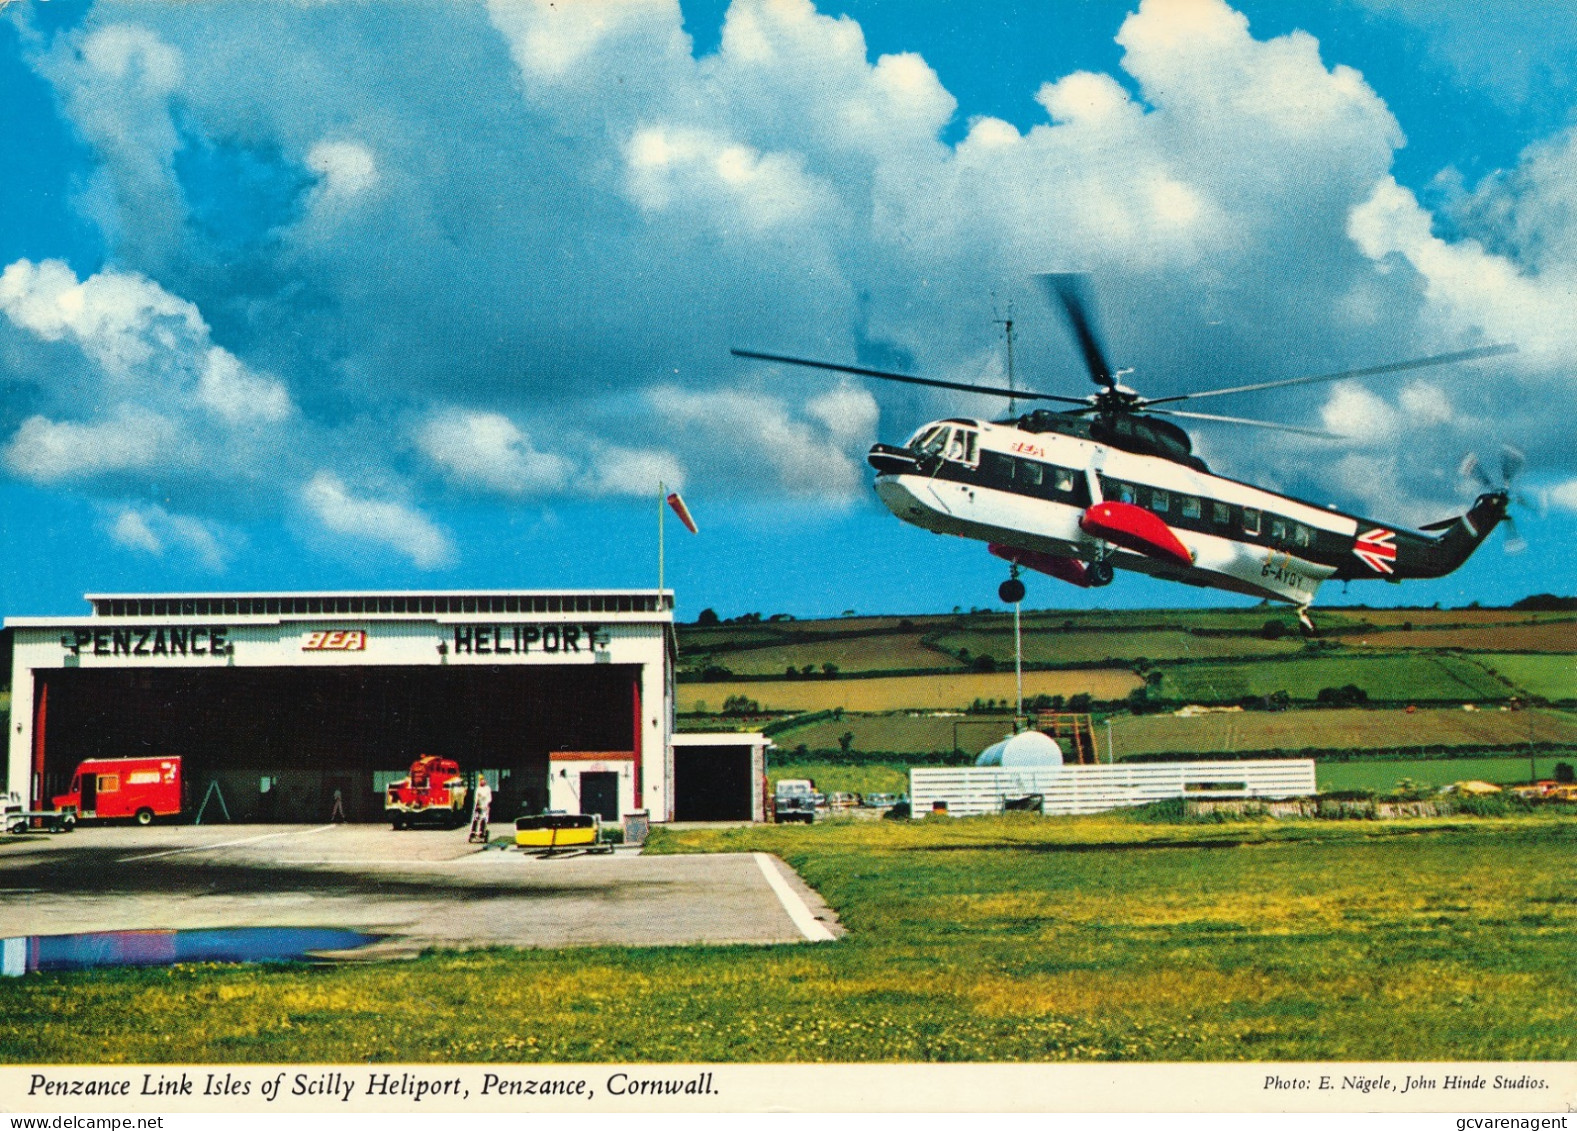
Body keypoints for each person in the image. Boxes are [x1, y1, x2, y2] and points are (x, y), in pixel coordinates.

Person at [468, 774, 493, 843]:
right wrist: (477, 803)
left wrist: (486, 803)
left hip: (485, 806)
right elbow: (476, 798)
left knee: (483, 819)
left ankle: (482, 832)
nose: (482, 782)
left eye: (483, 781)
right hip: (478, 806)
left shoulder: (487, 789)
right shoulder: (478, 789)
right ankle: (473, 831)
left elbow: (489, 798)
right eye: (481, 781)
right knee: (475, 818)